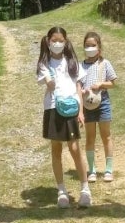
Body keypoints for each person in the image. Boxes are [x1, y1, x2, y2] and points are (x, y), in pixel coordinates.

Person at [36, 26, 92, 208]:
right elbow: (48, 84)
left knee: (75, 148)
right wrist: (49, 80)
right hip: (53, 108)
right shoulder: (44, 63)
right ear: (48, 41)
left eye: (61, 41)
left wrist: (81, 111)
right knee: (56, 149)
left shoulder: (71, 61)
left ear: (66, 42)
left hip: (71, 107)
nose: (57, 44)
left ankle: (85, 189)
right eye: (54, 41)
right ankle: (62, 191)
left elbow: (78, 85)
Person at [81, 30, 118, 183]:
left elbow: (113, 82)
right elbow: (78, 85)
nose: (90, 48)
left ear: (99, 48)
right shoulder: (80, 66)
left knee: (106, 135)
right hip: (87, 106)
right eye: (87, 45)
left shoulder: (105, 63)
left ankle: (108, 169)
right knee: (90, 137)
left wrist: (101, 84)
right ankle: (92, 170)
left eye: (93, 45)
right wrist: (82, 91)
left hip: (103, 103)